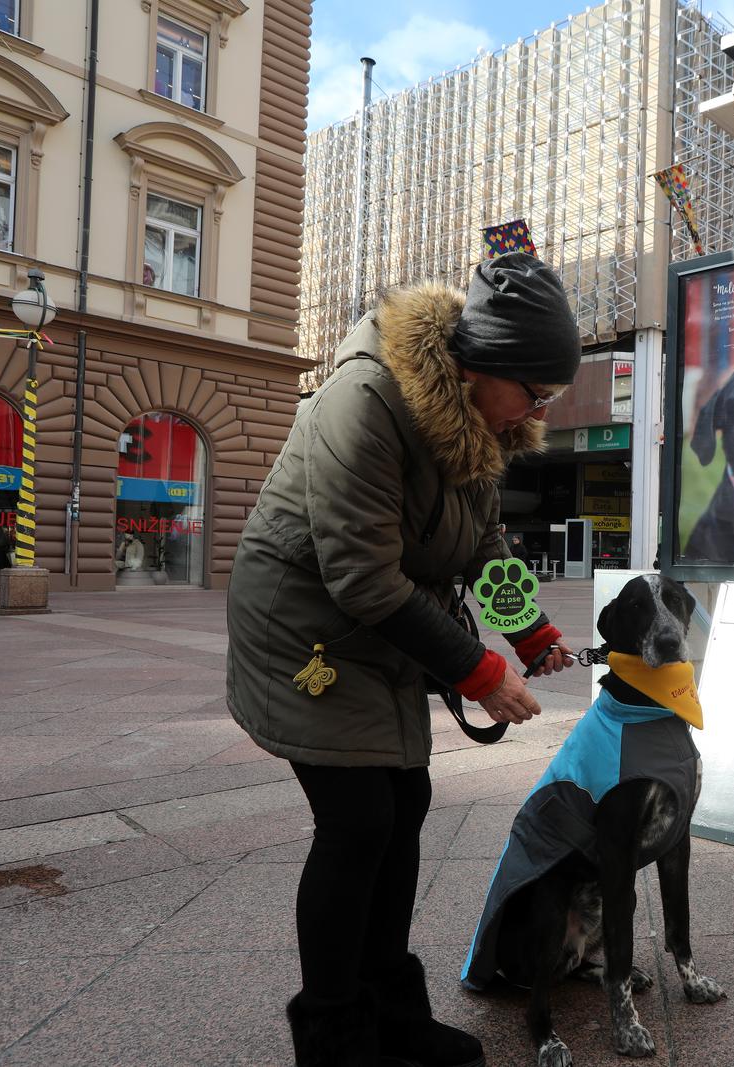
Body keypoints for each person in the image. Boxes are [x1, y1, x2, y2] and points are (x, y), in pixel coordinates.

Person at [225, 252, 582, 1067]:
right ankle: (334, 1034)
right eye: (534, 390)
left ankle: (393, 1011)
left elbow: (483, 538)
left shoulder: (484, 419)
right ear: (484, 363)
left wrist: (526, 631)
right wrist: (483, 673)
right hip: (302, 623)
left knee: (407, 800)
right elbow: (360, 577)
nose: (537, 408)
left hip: (379, 623)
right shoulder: (365, 401)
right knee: (358, 822)